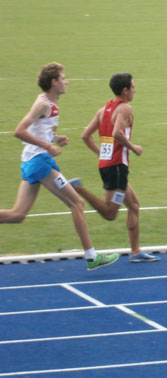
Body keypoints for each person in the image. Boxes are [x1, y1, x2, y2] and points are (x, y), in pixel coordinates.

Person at [0, 62, 119, 271]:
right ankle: (91, 256)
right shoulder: (43, 104)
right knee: (77, 203)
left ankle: (91, 256)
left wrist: (56, 138)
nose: (67, 82)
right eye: (63, 78)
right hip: (39, 162)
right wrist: (48, 146)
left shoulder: (51, 104)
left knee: (17, 215)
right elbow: (19, 131)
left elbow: (40, 128)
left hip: (33, 161)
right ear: (54, 82)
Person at [69, 73, 160, 263]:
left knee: (134, 205)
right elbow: (118, 133)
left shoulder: (103, 110)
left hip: (109, 164)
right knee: (110, 213)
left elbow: (85, 136)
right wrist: (134, 148)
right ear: (125, 91)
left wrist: (102, 154)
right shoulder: (125, 108)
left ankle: (136, 252)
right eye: (133, 87)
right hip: (117, 167)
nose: (135, 90)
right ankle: (77, 189)